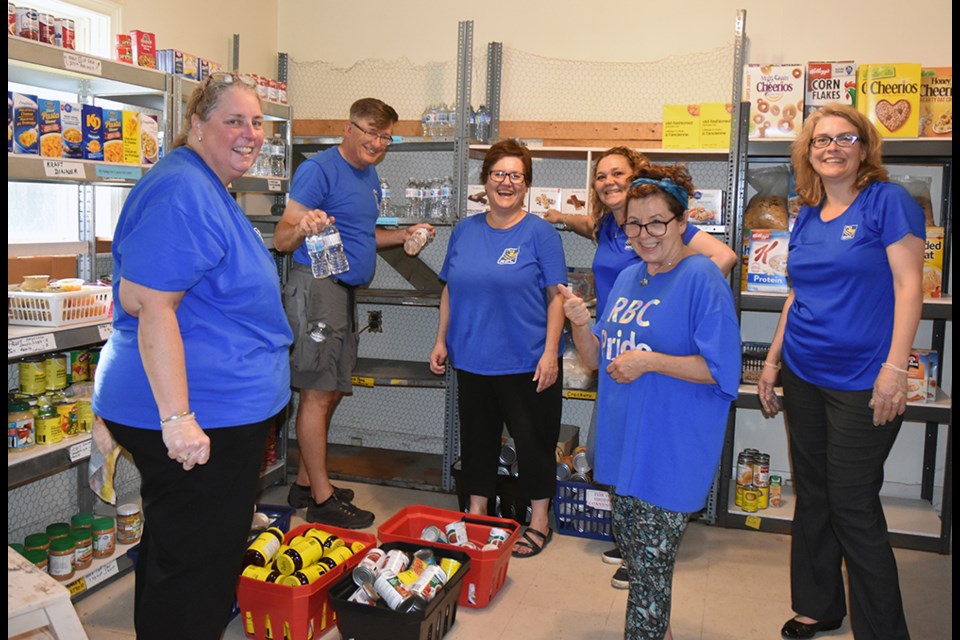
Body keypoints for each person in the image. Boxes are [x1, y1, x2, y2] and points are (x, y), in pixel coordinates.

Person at [91, 72, 294, 640]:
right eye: (234, 120)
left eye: (257, 122)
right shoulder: (183, 188)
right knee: (197, 566)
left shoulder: (204, 184)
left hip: (216, 408)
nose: (249, 133)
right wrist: (178, 420)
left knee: (178, 549)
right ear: (196, 125)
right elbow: (153, 306)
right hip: (199, 415)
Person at [757, 104, 924, 640]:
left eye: (844, 137)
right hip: (805, 372)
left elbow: (908, 287)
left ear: (864, 146)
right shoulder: (805, 213)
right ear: (807, 152)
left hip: (863, 379)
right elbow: (796, 296)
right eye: (820, 139)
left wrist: (895, 369)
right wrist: (773, 362)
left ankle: (882, 631)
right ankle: (819, 605)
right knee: (815, 493)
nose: (831, 147)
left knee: (852, 503)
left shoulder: (888, 202)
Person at [560, 164, 741, 639]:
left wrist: (652, 361)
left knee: (650, 575)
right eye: (634, 224)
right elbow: (597, 359)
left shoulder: (701, 277)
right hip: (625, 445)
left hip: (670, 448)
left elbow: (722, 371)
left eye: (657, 221)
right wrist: (580, 322)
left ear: (682, 222)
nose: (644, 234)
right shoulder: (629, 278)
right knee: (641, 567)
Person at [273, 98, 434, 528]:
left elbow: (362, 235)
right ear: (349, 128)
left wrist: (404, 235)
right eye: (371, 132)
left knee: (333, 390)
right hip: (317, 288)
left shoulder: (368, 175)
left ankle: (307, 483)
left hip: (343, 290)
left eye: (386, 137)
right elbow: (283, 238)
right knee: (317, 392)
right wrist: (302, 227)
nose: (378, 143)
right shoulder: (319, 170)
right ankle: (322, 500)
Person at [429, 138, 567, 558]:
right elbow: (451, 287)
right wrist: (440, 339)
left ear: (526, 185)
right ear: (485, 180)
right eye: (498, 174)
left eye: (516, 176)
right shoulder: (464, 231)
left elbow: (558, 297)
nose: (506, 183)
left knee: (533, 442)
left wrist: (549, 353)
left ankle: (539, 521)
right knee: (476, 443)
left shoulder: (540, 233)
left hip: (526, 360)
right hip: (472, 358)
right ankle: (477, 513)